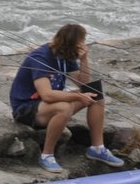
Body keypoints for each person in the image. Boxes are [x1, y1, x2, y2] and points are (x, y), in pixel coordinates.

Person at [9, 23, 125, 173]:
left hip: (47, 105)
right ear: (69, 45)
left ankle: (97, 148)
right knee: (64, 107)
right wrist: (76, 96)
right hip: (27, 109)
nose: (82, 47)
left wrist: (84, 59)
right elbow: (47, 95)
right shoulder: (40, 58)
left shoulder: (65, 55)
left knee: (95, 92)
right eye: (80, 44)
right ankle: (47, 155)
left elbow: (83, 83)